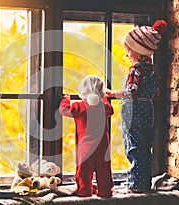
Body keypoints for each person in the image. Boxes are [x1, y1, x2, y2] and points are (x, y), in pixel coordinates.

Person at [104, 20, 167, 193]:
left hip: (135, 112)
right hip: (148, 111)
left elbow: (131, 91)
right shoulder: (153, 70)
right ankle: (143, 183)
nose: (127, 55)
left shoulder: (136, 69)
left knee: (133, 147)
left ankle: (135, 185)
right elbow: (156, 93)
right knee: (145, 147)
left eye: (129, 50)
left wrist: (112, 94)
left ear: (139, 52)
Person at [59, 75, 114, 198]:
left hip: (85, 149)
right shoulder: (104, 106)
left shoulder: (79, 107)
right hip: (103, 148)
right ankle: (105, 192)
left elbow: (63, 109)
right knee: (104, 171)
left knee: (83, 172)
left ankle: (84, 192)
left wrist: (65, 99)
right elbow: (111, 110)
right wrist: (104, 99)